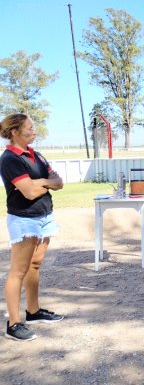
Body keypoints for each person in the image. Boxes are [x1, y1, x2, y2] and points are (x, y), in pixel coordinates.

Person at [0, 113, 64, 341]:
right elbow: (28, 192)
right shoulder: (10, 159)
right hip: (24, 219)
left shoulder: (36, 155)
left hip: (45, 216)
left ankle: (33, 312)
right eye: (29, 128)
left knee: (34, 265)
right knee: (18, 271)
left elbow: (59, 182)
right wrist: (44, 184)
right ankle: (14, 323)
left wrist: (40, 182)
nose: (34, 131)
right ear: (15, 132)